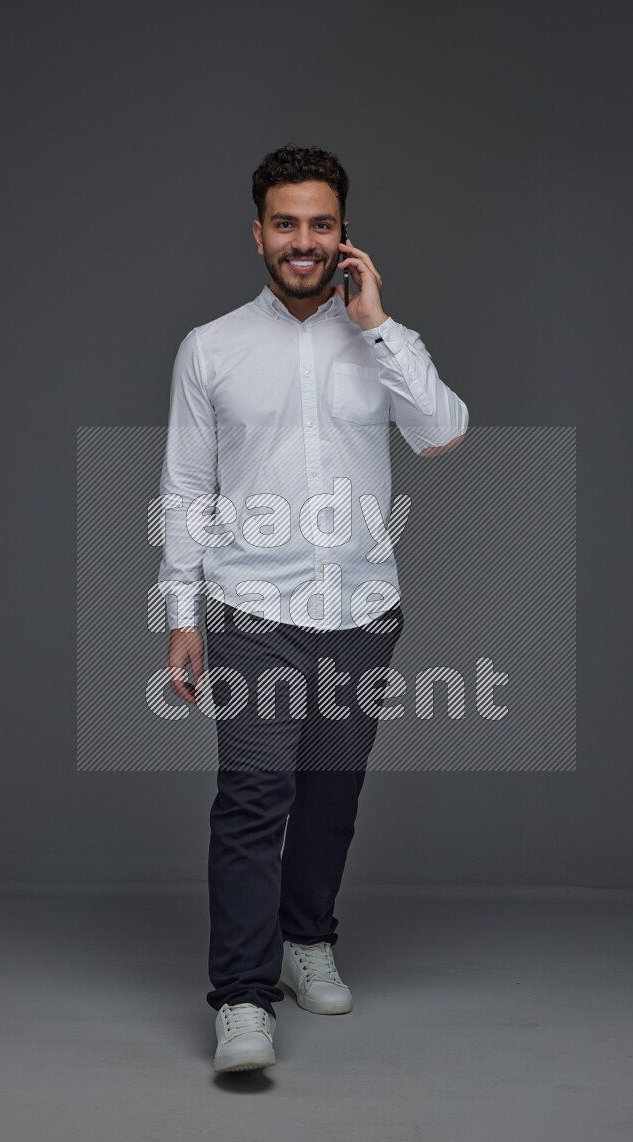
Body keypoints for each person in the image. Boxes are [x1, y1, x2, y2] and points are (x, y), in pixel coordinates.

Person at [156, 143, 469, 1073]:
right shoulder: (211, 348)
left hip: (361, 607)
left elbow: (443, 433)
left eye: (320, 224)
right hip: (250, 607)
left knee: (332, 794)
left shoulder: (381, 339)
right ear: (257, 233)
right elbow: (186, 488)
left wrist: (378, 326)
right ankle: (242, 999)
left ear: (344, 235)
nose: (304, 241)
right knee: (253, 798)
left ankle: (306, 939)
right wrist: (181, 614)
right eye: (286, 223)